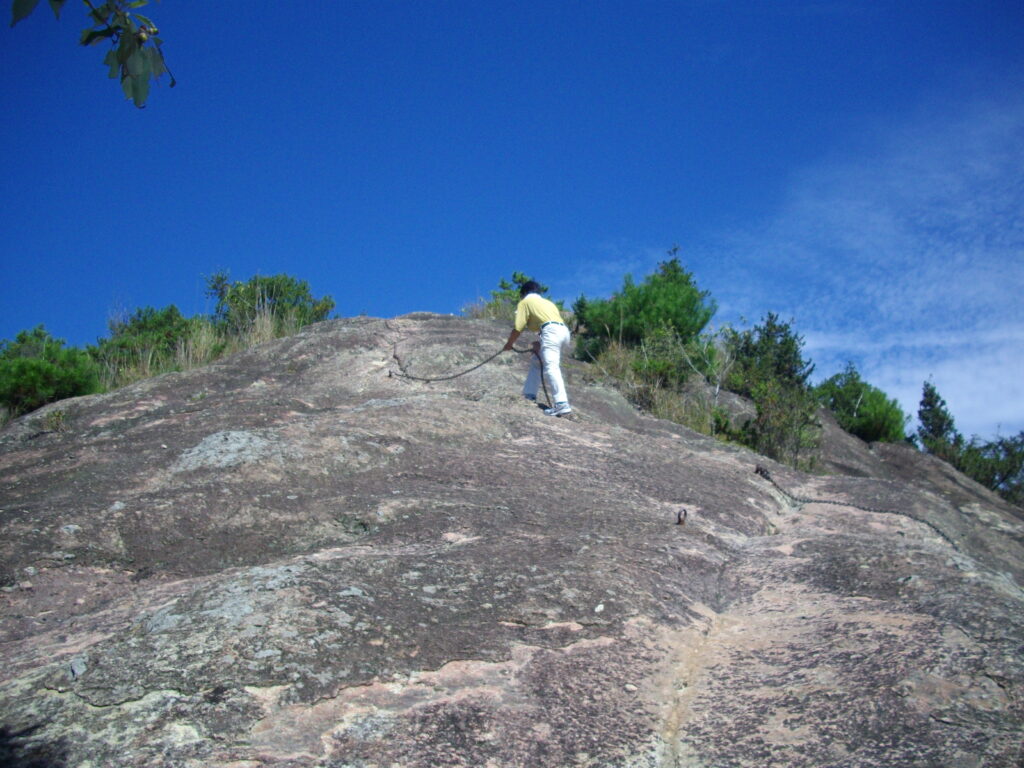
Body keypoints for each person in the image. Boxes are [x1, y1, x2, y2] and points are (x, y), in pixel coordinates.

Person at [503, 281, 572, 416]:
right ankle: (529, 395)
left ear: (523, 294)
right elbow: (547, 322)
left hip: (550, 331)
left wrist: (509, 344)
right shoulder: (547, 303)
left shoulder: (525, 302)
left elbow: (518, 327)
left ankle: (561, 404)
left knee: (551, 366)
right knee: (537, 360)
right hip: (563, 332)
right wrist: (540, 343)